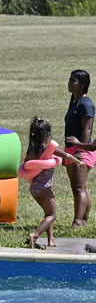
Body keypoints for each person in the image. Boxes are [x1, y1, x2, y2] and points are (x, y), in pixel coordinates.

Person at [23, 117, 83, 248]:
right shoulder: (48, 149)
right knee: (52, 215)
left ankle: (51, 240)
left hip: (34, 188)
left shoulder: (31, 150)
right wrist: (78, 162)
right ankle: (35, 235)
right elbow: (66, 156)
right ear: (46, 135)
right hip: (44, 188)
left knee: (48, 213)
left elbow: (25, 165)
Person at [64, 69, 94, 228]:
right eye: (70, 79)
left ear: (82, 85)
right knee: (80, 186)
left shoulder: (85, 104)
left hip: (81, 150)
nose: (69, 82)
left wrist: (81, 151)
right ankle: (84, 220)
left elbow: (87, 129)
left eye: (73, 80)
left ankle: (77, 222)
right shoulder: (75, 101)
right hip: (71, 149)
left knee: (78, 188)